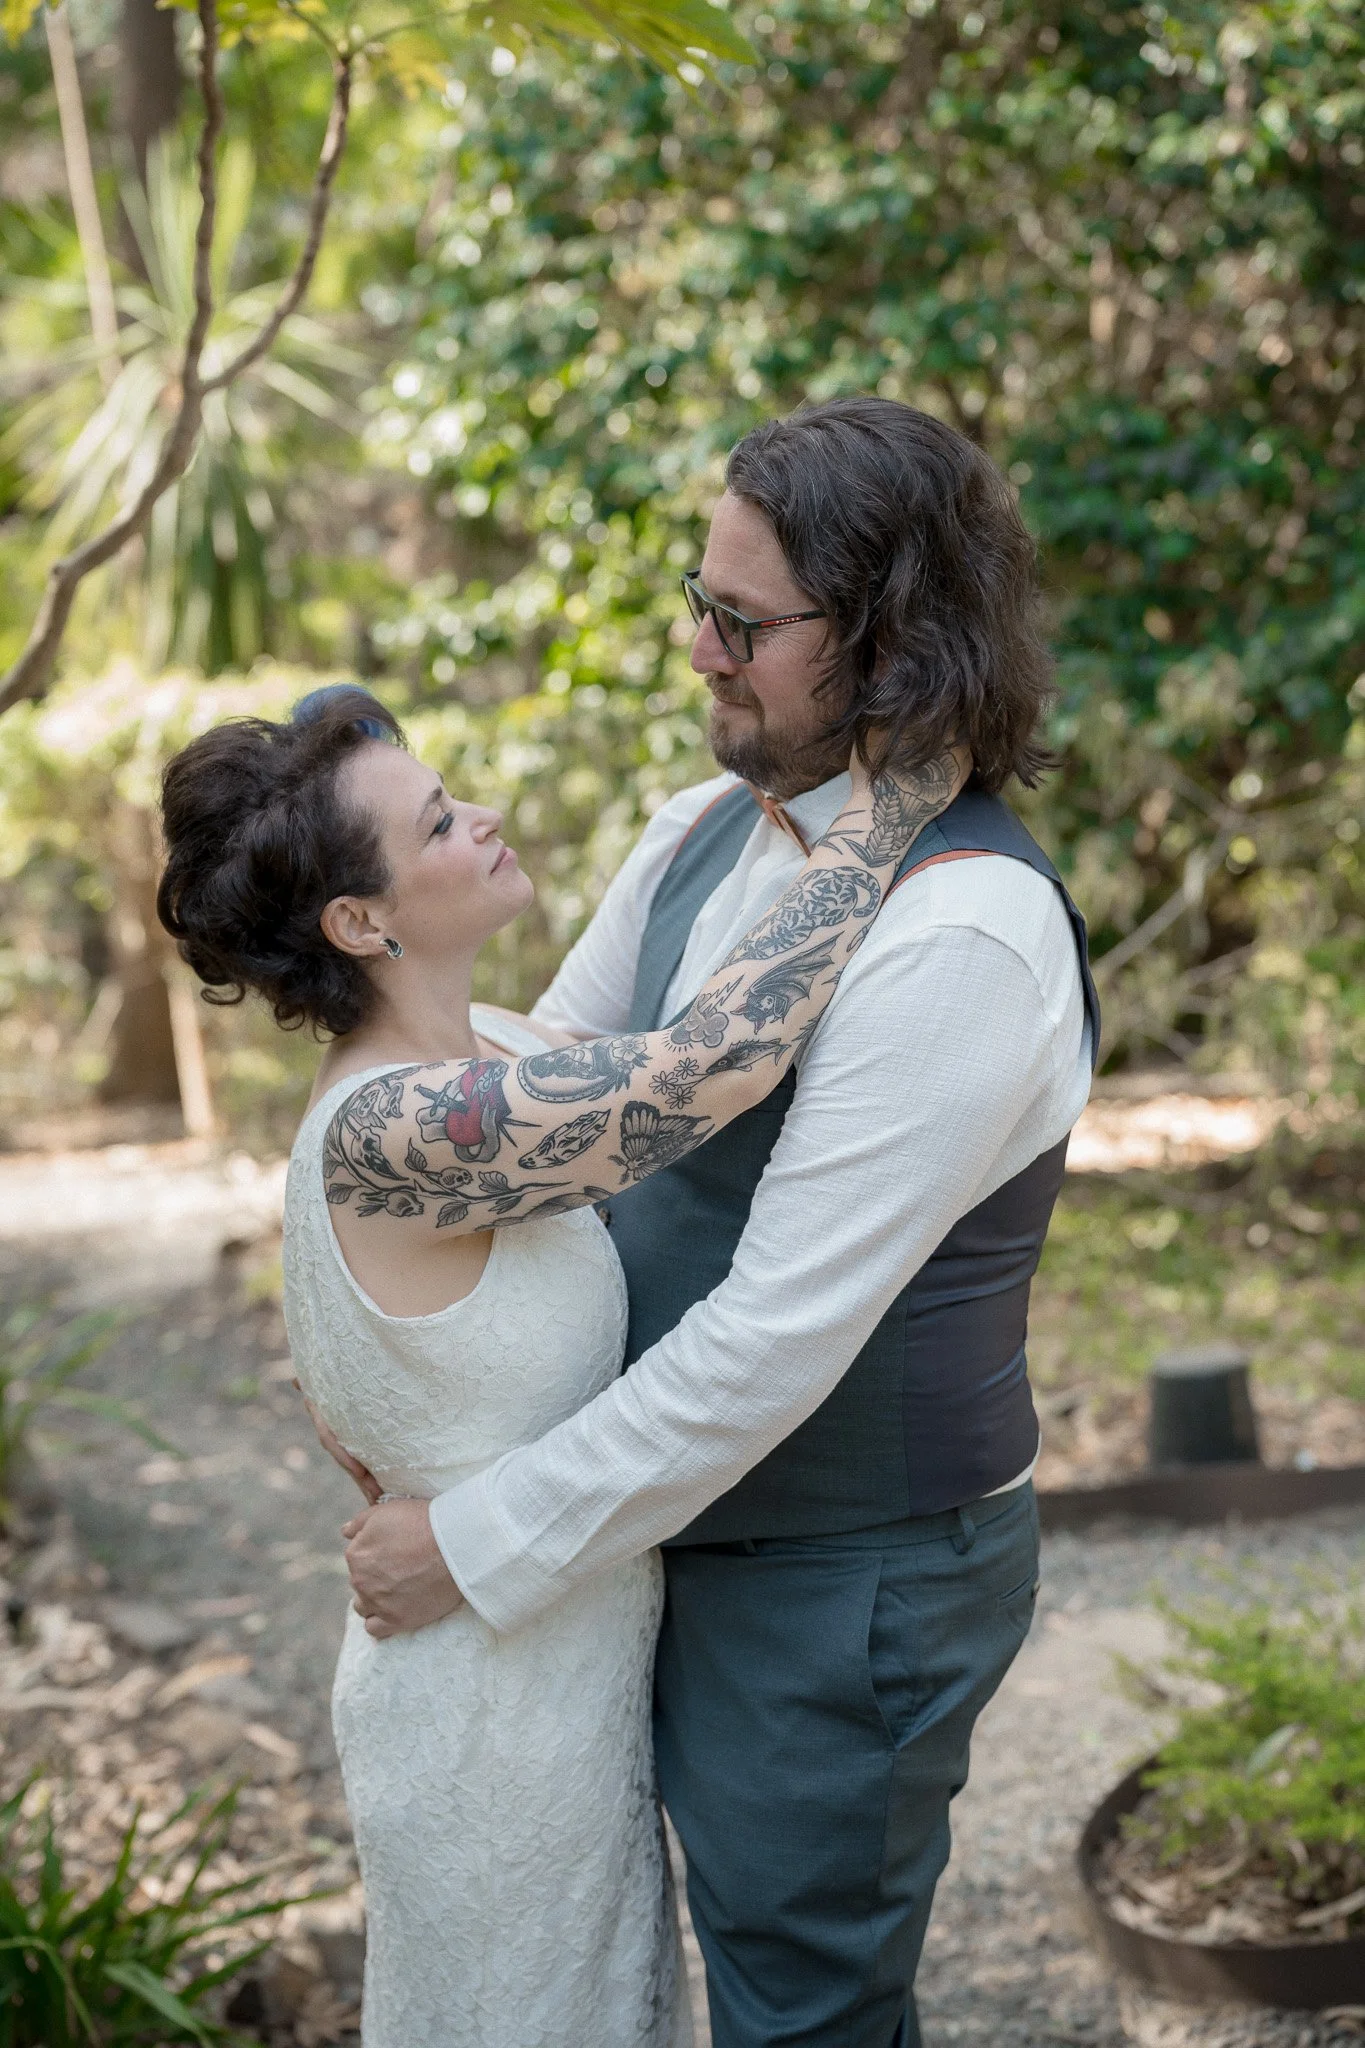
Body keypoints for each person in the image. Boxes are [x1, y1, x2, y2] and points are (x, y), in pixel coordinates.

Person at [334, 397, 1101, 2047]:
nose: (700, 651)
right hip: (660, 1522)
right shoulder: (697, 834)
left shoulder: (964, 933)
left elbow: (770, 1344)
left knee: (797, 2013)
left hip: (846, 1577)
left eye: (742, 624)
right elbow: (546, 1108)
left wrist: (470, 1544)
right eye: (699, 602)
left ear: (893, 641)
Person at [156, 682, 965, 2048]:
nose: (487, 820)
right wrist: (891, 807)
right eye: (440, 823)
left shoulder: (493, 1061)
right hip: (488, 1726)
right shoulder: (406, 1131)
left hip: (552, 1673)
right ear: (364, 921)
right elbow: (712, 1063)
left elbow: (659, 1028)